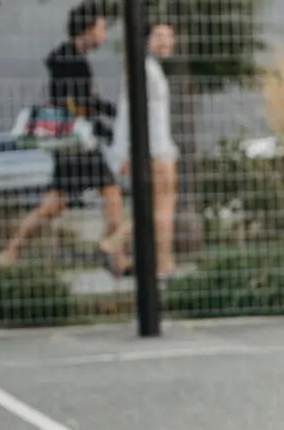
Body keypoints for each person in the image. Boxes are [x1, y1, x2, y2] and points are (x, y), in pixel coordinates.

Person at [0, 3, 126, 274]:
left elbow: (82, 101)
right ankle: (116, 253)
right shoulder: (71, 60)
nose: (103, 35)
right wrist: (109, 120)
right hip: (78, 144)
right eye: (101, 28)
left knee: (53, 205)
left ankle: (9, 253)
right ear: (87, 29)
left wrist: (104, 116)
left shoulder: (71, 58)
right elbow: (79, 102)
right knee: (111, 194)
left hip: (70, 144)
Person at [103, 19, 180, 280]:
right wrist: (124, 152)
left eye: (169, 36)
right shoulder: (144, 70)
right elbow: (129, 113)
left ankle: (161, 263)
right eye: (159, 36)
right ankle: (154, 260)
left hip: (158, 147)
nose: (166, 42)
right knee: (161, 206)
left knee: (159, 206)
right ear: (146, 40)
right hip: (153, 149)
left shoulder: (151, 69)